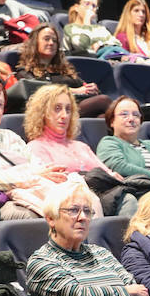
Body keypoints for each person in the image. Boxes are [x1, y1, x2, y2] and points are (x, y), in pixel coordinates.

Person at [0, 78, 74, 221]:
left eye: (0, 105)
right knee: (38, 215)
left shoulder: (10, 136)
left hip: (30, 191)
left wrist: (50, 173)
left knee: (77, 196)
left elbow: (36, 165)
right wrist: (32, 176)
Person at [23, 84, 132, 216]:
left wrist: (112, 175)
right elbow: (55, 185)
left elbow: (107, 173)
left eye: (68, 110)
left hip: (103, 195)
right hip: (74, 205)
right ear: (42, 113)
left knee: (131, 197)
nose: (64, 115)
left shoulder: (81, 146)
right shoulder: (36, 147)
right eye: (57, 109)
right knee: (126, 200)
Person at [14, 23, 110, 117]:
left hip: (76, 106)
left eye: (54, 41)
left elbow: (82, 86)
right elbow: (40, 91)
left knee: (102, 117)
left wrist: (90, 88)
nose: (51, 43)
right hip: (52, 110)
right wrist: (75, 91)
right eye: (46, 39)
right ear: (35, 42)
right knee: (103, 100)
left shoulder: (64, 70)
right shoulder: (25, 71)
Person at [64, 1, 133, 60]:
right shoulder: (70, 28)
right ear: (77, 7)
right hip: (91, 61)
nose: (90, 8)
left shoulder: (100, 28)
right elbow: (82, 46)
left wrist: (99, 44)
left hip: (111, 55)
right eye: (87, 4)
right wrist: (86, 21)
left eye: (94, 6)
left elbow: (117, 43)